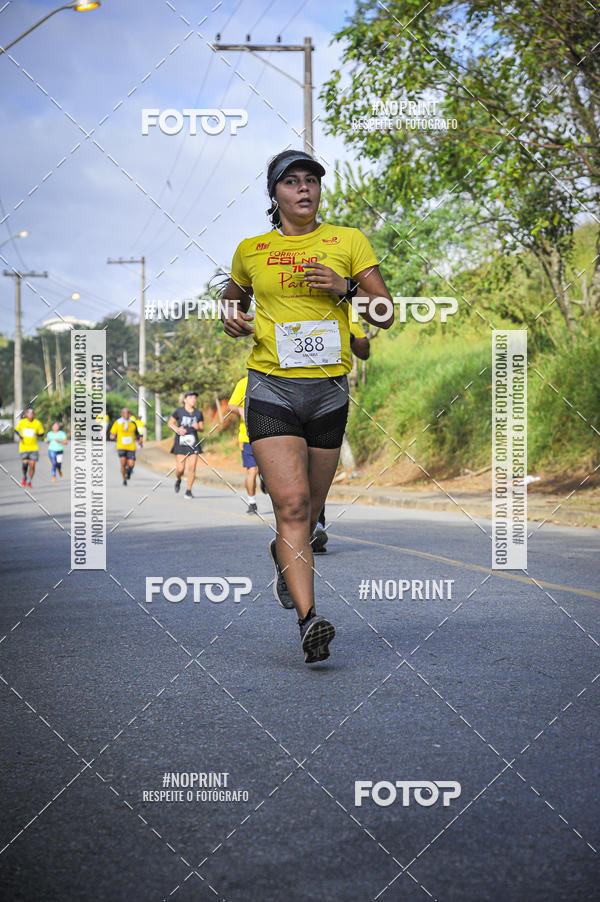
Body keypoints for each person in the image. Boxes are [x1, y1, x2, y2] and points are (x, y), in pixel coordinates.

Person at [221, 149, 393, 663]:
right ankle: (309, 620)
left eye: (311, 181)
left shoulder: (348, 242)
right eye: (291, 182)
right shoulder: (252, 249)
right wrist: (230, 317)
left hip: (327, 391)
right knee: (291, 506)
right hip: (270, 384)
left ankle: (283, 555)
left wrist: (347, 290)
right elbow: (233, 300)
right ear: (274, 195)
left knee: (312, 510)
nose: (303, 189)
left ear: (319, 190)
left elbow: (384, 312)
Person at [311, 313, 371, 553]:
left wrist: (347, 336)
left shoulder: (343, 308)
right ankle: (296, 527)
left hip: (327, 394)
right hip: (285, 392)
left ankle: (315, 525)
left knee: (316, 467)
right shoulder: (284, 301)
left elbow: (364, 350)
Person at [228, 375, 260, 515]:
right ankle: (252, 502)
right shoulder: (244, 382)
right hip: (247, 436)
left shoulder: (273, 378)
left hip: (270, 436)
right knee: (252, 470)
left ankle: (265, 479)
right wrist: (240, 410)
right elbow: (231, 404)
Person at [168, 391, 204, 500]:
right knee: (180, 469)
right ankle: (178, 479)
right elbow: (170, 423)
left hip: (193, 443)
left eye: (195, 398)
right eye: (191, 397)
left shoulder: (198, 413)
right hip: (181, 443)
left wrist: (198, 427)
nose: (194, 399)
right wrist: (177, 429)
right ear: (185, 400)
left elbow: (202, 428)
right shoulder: (179, 411)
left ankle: (188, 491)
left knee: (192, 467)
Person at [109, 408, 143, 486]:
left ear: (129, 414)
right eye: (124, 413)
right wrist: (112, 436)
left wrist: (140, 440)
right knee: (123, 463)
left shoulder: (133, 423)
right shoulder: (118, 422)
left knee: (131, 464)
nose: (126, 415)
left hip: (131, 447)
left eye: (127, 413)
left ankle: (128, 472)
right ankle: (124, 478)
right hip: (121, 446)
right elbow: (112, 433)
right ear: (122, 414)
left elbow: (137, 433)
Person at [14, 407, 45, 488]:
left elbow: (42, 433)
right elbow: (16, 430)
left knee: (32, 465)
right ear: (26, 414)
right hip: (23, 447)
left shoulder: (37, 423)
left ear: (34, 414)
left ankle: (30, 480)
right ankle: (24, 477)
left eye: (32, 413)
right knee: (25, 464)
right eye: (29, 413)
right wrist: (20, 437)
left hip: (34, 448)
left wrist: (37, 435)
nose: (30, 415)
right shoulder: (22, 422)